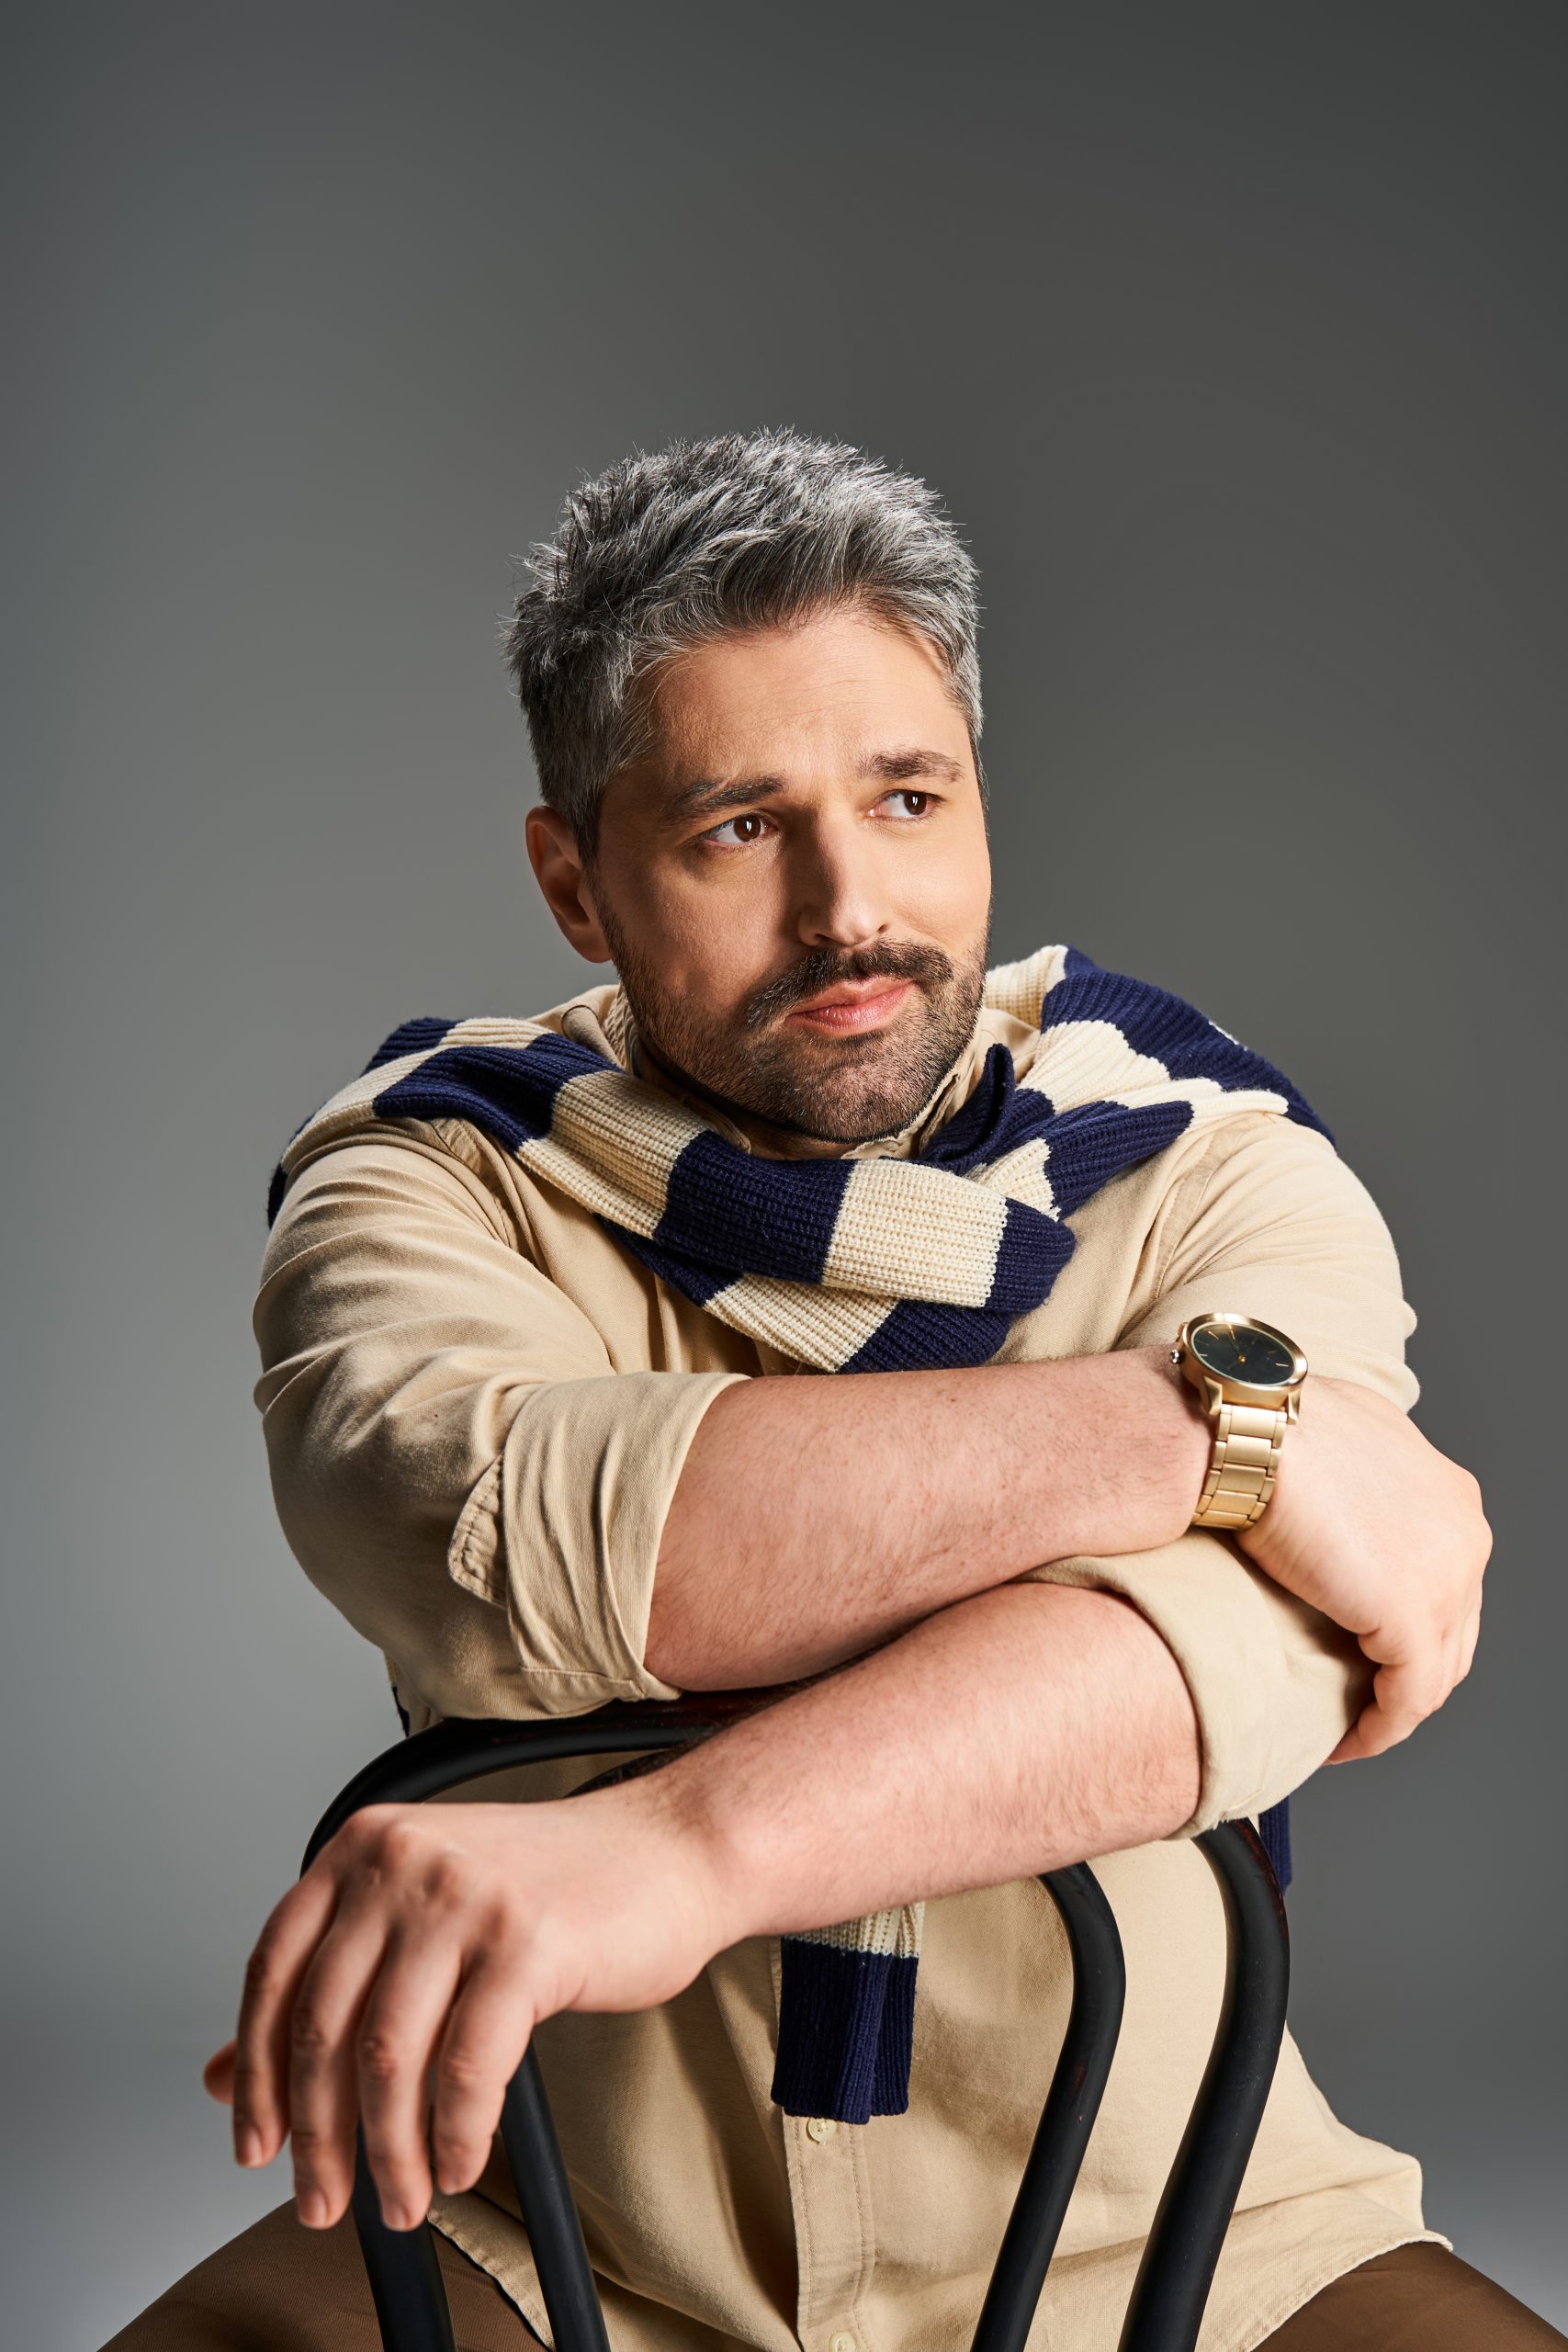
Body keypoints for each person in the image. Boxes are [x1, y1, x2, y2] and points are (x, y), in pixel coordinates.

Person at [104, 431, 1556, 2351]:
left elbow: (1262, 1644)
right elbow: (505, 1536)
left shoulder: (1204, 1162)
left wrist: (674, 1848)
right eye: (732, 825)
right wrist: (1194, 1432)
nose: (847, 906)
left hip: (1184, 2228)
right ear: (573, 878)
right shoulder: (429, 1173)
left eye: (904, 794)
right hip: (552, 2235)